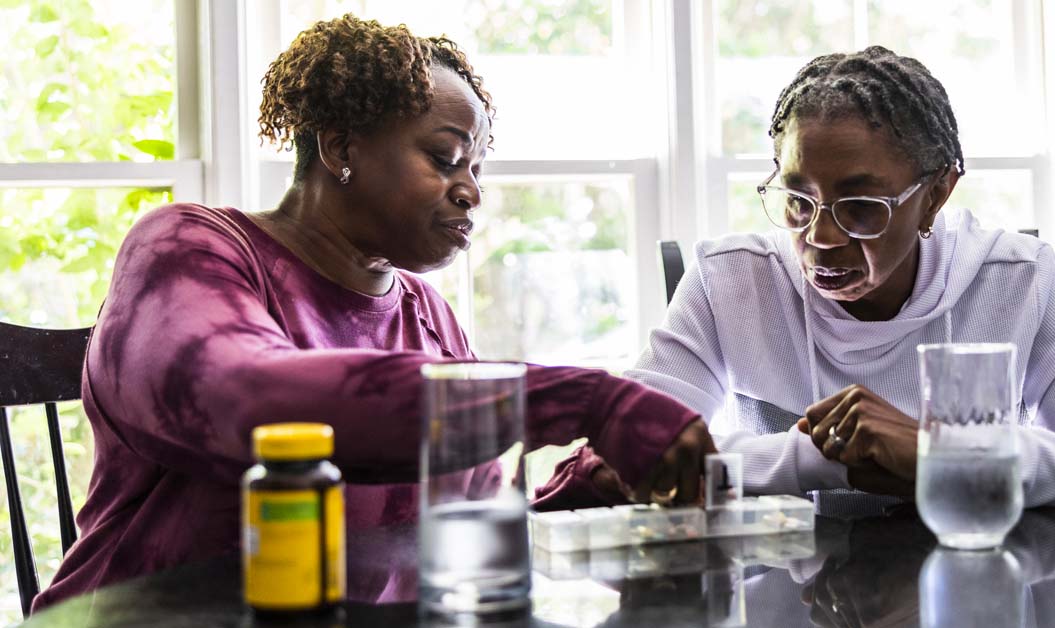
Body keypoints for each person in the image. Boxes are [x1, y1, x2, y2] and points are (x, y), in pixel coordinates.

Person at [32, 15, 715, 611]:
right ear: (341, 148)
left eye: (478, 168)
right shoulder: (189, 248)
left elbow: (439, 533)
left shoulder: (425, 315)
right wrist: (588, 399)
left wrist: (588, 483)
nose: (471, 192)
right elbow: (249, 404)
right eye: (445, 158)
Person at [545, 46, 1055, 516]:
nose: (821, 235)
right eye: (797, 199)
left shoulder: (1018, 279)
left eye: (859, 206)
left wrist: (940, 454)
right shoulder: (729, 280)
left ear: (937, 194)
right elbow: (631, 447)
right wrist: (819, 457)